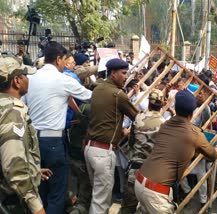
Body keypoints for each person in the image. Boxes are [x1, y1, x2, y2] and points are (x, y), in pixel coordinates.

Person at [23, 41, 92, 214]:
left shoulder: (30, 79)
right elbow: (89, 96)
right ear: (59, 59)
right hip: (53, 141)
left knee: (40, 188)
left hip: (32, 140)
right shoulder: (63, 80)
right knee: (57, 191)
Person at [134, 90, 217, 213]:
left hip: (139, 181)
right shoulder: (194, 134)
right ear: (191, 114)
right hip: (156, 193)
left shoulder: (165, 124)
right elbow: (212, 155)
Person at [85, 58, 139, 214]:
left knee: (97, 196)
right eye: (123, 73)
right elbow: (138, 118)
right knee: (101, 202)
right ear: (113, 73)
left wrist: (120, 130)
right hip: (103, 152)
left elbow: (104, 118)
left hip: (90, 149)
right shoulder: (118, 94)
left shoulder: (97, 89)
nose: (125, 76)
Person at [0, 55, 46, 214]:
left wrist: (34, 169)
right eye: (25, 75)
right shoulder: (13, 112)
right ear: (16, 81)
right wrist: (36, 207)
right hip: (12, 202)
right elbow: (14, 166)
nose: (28, 79)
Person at [120, 89, 166, 214]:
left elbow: (131, 143)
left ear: (149, 103)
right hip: (152, 174)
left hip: (135, 171)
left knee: (127, 208)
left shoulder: (138, 118)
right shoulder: (164, 124)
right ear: (162, 105)